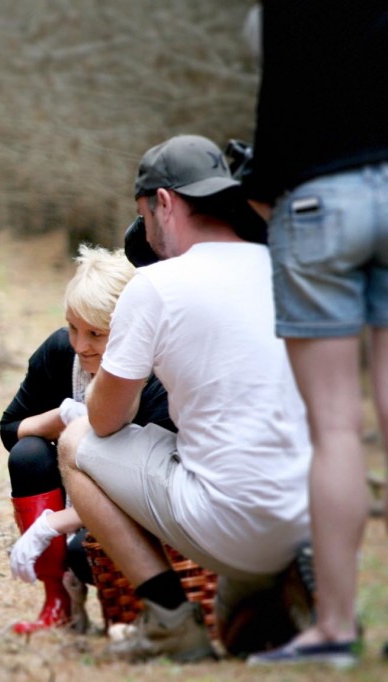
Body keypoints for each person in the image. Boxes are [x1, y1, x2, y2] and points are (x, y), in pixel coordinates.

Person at [56, 134, 313, 663]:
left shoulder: (155, 286)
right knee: (243, 639)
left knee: (73, 440)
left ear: (164, 204)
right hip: (307, 514)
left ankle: (171, 619)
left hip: (228, 522)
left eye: (144, 218)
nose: (145, 235)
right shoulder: (285, 267)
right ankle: (291, 587)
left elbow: (104, 422)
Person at [241, 1, 388, 668]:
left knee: (335, 427)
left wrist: (265, 193)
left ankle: (334, 627)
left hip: (319, 194)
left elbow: (279, 103)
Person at [0, 244, 175, 634]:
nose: (80, 346)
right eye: (72, 327)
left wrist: (51, 525)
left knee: (84, 553)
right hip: (74, 486)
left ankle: (140, 608)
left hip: (142, 504)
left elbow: (151, 486)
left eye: (96, 333)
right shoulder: (62, 353)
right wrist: (61, 418)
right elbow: (10, 430)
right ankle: (59, 600)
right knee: (28, 455)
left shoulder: (160, 377)